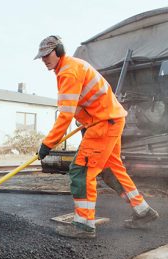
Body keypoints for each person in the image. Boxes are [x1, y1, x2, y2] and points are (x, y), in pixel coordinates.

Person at [34, 35, 159, 238]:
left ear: (58, 52)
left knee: (81, 171)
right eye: (41, 57)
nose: (43, 60)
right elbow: (82, 104)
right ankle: (143, 211)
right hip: (109, 120)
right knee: (111, 169)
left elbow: (65, 114)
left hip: (103, 123)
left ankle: (84, 224)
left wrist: (47, 144)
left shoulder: (68, 72)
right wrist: (84, 121)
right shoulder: (72, 67)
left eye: (47, 55)